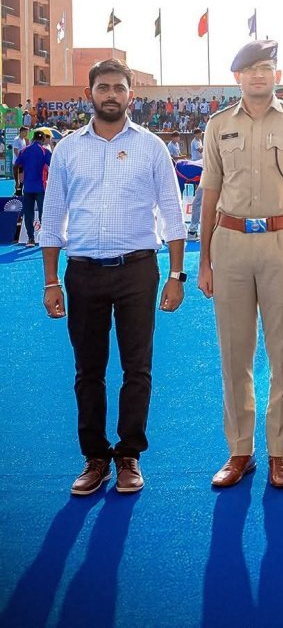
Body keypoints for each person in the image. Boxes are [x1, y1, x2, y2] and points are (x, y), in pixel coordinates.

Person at [38, 58, 186, 496]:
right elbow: (52, 217)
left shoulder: (151, 147)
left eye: (119, 88)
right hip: (83, 273)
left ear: (130, 96)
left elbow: (172, 213)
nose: (111, 95)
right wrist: (51, 280)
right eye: (103, 87)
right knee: (88, 370)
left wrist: (176, 274)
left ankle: (129, 455)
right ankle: (95, 457)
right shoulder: (67, 149)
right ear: (90, 94)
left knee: (137, 368)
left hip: (138, 270)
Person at [198, 40, 283, 489]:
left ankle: (279, 452)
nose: (257, 76)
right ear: (237, 77)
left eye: (265, 68)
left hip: (282, 244)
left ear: (276, 74)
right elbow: (209, 195)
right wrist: (204, 261)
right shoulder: (218, 125)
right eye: (249, 69)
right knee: (234, 354)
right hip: (229, 243)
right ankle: (239, 450)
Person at [14, 130, 51, 247]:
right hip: (41, 188)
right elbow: (55, 167)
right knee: (43, 213)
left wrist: (17, 182)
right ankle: (45, 238)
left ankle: (30, 238)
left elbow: (16, 165)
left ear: (33, 138)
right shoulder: (45, 151)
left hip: (28, 188)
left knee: (28, 213)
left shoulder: (24, 150)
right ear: (43, 139)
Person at [12, 126, 29, 194]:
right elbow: (15, 151)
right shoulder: (17, 139)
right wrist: (20, 159)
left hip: (22, 163)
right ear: (21, 132)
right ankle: (17, 192)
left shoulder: (24, 140)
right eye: (26, 132)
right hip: (17, 163)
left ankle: (19, 191)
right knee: (17, 180)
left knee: (22, 178)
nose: (27, 133)